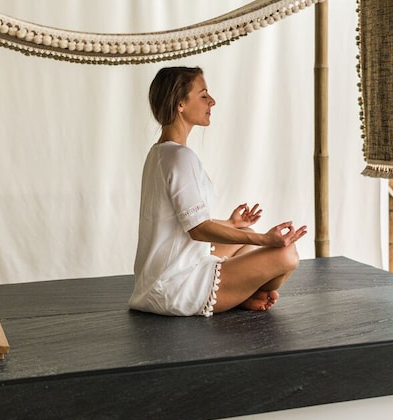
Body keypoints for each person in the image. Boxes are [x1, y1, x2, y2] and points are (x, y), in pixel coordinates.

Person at [129, 66, 306, 316]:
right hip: (175, 288)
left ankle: (242, 296)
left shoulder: (159, 152)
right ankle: (242, 295)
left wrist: (231, 224)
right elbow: (198, 229)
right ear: (180, 104)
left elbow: (179, 222)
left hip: (156, 280)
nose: (212, 101)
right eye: (203, 95)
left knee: (245, 234)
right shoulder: (180, 157)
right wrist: (265, 240)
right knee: (287, 255)